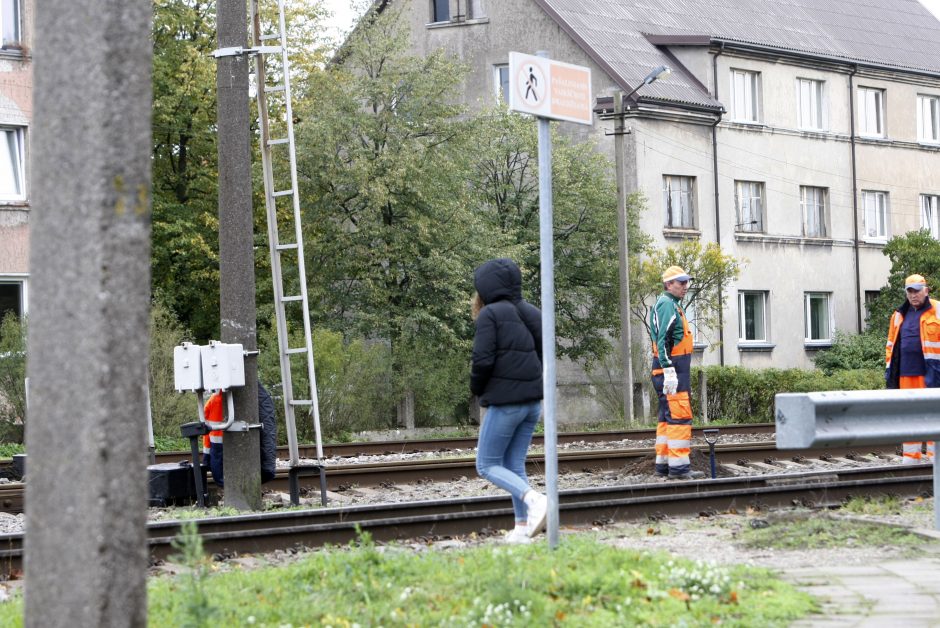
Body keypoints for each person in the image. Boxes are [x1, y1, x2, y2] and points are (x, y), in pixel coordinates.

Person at [471, 258, 547, 543]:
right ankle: (522, 527)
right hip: (532, 403)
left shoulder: (490, 315)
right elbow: (543, 355)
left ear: (486, 287)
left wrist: (477, 390)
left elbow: (482, 360)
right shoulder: (532, 312)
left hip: (506, 403)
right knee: (514, 464)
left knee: (486, 464)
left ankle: (535, 499)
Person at [649, 265, 704, 480]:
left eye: (686, 282)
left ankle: (663, 466)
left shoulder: (671, 304)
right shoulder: (667, 305)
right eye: (681, 283)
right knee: (680, 415)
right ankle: (679, 469)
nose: (685, 286)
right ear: (668, 284)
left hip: (670, 368)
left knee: (667, 418)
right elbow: (662, 340)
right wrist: (669, 370)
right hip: (672, 369)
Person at [885, 273, 938, 464]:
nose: (913, 295)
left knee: (934, 415)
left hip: (932, 374)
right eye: (910, 291)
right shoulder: (898, 315)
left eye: (917, 291)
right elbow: (890, 346)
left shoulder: (938, 310)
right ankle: (911, 457)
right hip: (905, 375)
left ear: (926, 290)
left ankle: (934, 457)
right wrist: (890, 372)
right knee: (910, 416)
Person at [203, 381, 279, 486]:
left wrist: (206, 457)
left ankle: (228, 487)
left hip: (217, 444)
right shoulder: (246, 396)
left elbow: (205, 427)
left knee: (220, 471)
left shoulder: (212, 400)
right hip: (235, 441)